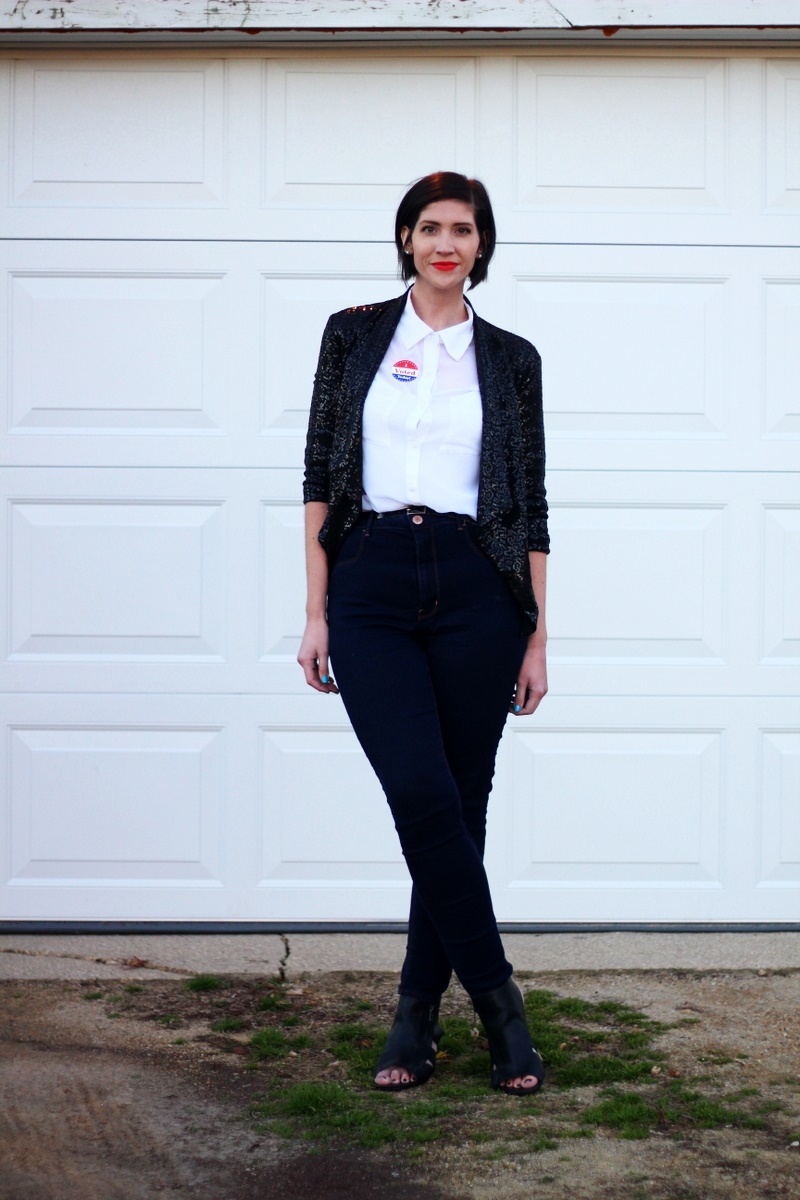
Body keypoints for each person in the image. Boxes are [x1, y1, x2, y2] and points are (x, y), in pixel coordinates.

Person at [298, 172, 549, 1096]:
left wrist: (537, 633)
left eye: (465, 230)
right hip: (370, 581)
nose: (448, 243)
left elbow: (529, 507)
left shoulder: (512, 358)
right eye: (431, 227)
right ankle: (498, 999)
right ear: (405, 238)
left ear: (483, 246)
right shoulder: (354, 333)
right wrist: (318, 611)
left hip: (477, 589)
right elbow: (320, 478)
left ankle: (414, 1013)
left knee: (459, 805)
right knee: (419, 791)